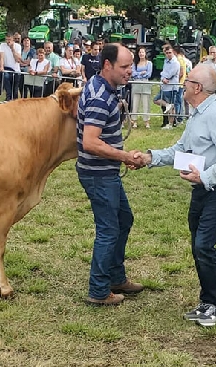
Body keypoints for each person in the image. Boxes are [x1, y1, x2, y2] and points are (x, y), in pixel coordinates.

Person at [133, 64, 216, 326]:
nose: (183, 82)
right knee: (198, 246)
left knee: (204, 245)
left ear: (197, 88)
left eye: (187, 79)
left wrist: (205, 177)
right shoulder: (197, 114)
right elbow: (181, 149)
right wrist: (149, 158)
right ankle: (208, 302)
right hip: (203, 189)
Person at [77, 43, 144, 306]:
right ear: (107, 65)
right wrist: (125, 156)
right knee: (108, 230)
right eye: (125, 67)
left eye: (131, 66)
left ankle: (116, 278)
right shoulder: (99, 97)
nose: (131, 71)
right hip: (99, 175)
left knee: (124, 220)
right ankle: (99, 290)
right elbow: (90, 142)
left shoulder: (98, 85)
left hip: (104, 173)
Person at [153, 45, 179, 129]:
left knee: (171, 107)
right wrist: (163, 77)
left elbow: (170, 74)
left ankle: (171, 124)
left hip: (171, 87)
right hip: (164, 86)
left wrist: (164, 77)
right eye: (167, 53)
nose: (168, 54)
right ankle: (167, 106)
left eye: (170, 53)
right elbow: (163, 73)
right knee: (156, 100)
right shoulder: (165, 61)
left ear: (173, 52)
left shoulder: (175, 63)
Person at [130, 46, 153, 128]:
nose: (141, 54)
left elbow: (149, 74)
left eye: (143, 52)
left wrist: (140, 74)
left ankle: (146, 121)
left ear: (145, 53)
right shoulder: (135, 64)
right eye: (140, 52)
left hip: (145, 83)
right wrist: (141, 74)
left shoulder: (149, 63)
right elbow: (133, 73)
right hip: (136, 84)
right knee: (135, 103)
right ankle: (134, 120)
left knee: (146, 103)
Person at [0, 33, 22, 101]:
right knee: (6, 77)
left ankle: (14, 100)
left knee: (15, 89)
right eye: (6, 39)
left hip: (16, 70)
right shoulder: (2, 45)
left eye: (9, 39)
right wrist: (1, 66)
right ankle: (8, 97)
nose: (8, 41)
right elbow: (1, 57)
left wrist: (12, 49)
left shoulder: (18, 46)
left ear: (13, 39)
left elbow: (18, 60)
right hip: (7, 68)